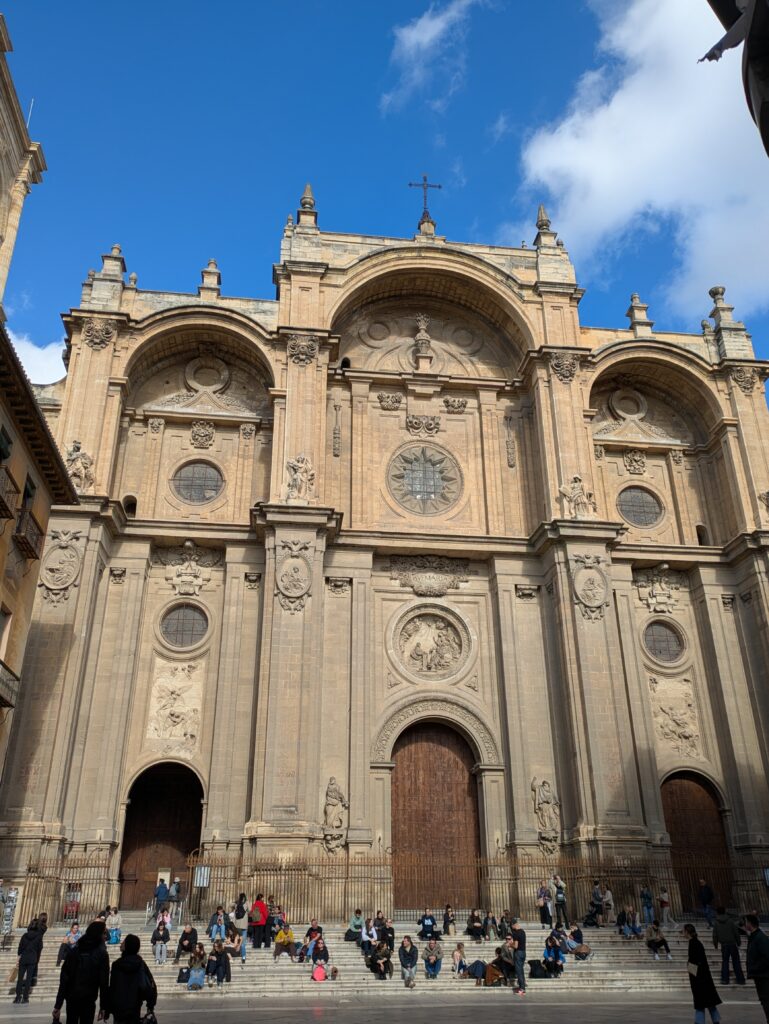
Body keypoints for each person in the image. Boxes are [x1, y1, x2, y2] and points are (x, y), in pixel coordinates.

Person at [52, 921, 110, 1023]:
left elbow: (64, 979)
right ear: (99, 934)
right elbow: (104, 982)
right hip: (88, 998)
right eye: (104, 933)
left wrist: (58, 1004)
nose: (106, 936)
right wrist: (104, 1006)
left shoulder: (74, 951)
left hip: (72, 997)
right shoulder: (102, 954)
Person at [108, 933, 157, 1024]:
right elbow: (150, 984)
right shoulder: (140, 963)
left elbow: (112, 987)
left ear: (127, 945)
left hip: (119, 1007)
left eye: (124, 942)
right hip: (135, 1005)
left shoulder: (116, 965)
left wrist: (107, 1009)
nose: (121, 943)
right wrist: (150, 1005)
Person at [685, 923, 722, 1023]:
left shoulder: (692, 943)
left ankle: (699, 1022)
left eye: (684, 931)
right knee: (710, 1003)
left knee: (700, 1004)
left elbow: (693, 962)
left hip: (699, 979)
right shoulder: (697, 942)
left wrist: (690, 970)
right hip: (705, 978)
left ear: (687, 932)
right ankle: (716, 1021)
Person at [745, 912, 769, 1022]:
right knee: (764, 1000)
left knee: (767, 1000)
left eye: (746, 922)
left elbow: (767, 956)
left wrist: (755, 967)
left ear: (750, 924)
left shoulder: (760, 938)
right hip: (759, 975)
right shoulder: (754, 937)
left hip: (764, 975)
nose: (745, 924)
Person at [712, 905, 745, 986]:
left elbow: (714, 935)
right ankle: (740, 979)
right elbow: (736, 932)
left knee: (725, 961)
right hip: (732, 943)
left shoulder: (716, 923)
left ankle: (725, 979)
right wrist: (738, 942)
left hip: (724, 944)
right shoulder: (730, 921)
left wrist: (715, 944)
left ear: (717, 912)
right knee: (736, 961)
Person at [15, 921, 43, 1004]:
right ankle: (25, 998)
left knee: (20, 978)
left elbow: (20, 947)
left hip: (23, 958)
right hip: (32, 958)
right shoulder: (39, 937)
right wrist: (37, 958)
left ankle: (17, 997)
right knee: (28, 979)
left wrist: (19, 955)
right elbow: (39, 948)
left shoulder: (24, 936)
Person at [510, 916, 527, 995]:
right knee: (521, 970)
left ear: (514, 925)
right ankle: (522, 986)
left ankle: (522, 989)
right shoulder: (523, 932)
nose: (512, 928)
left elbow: (516, 946)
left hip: (518, 953)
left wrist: (510, 945)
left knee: (519, 971)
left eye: (512, 926)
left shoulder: (516, 933)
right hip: (523, 952)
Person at [233, 893, 249, 965]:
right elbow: (250, 910)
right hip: (244, 926)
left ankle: (236, 953)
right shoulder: (246, 903)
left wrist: (236, 901)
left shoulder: (237, 904)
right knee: (243, 943)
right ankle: (243, 957)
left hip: (237, 925)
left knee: (237, 940)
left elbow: (231, 906)